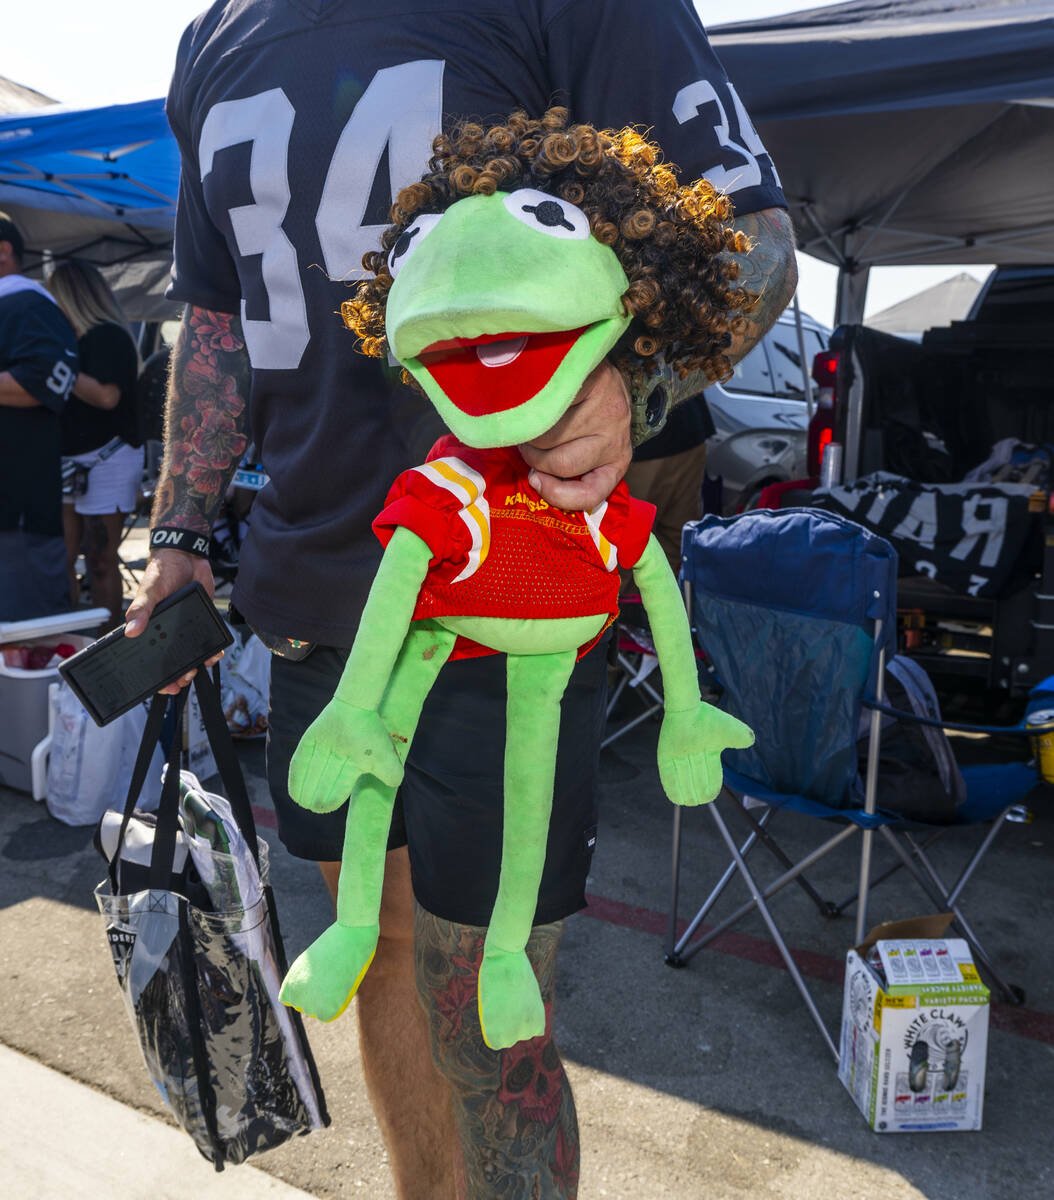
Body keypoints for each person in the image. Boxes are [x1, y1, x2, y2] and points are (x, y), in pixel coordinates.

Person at [126, 3, 796, 1196]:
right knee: (377, 961)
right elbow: (220, 316)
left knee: (483, 1008)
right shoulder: (217, 29)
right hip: (314, 586)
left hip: (506, 598)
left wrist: (628, 391)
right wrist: (180, 524)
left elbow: (750, 231)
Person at [48, 259, 143, 632]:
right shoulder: (65, 341)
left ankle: (106, 642)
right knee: (62, 558)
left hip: (109, 457)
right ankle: (67, 637)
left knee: (101, 557)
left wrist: (51, 364)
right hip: (67, 457)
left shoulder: (108, 337)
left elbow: (106, 397)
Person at [0, 211, 78, 621]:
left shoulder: (28, 304)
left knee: (27, 643)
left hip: (18, 514)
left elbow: (39, 381)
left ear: (3, 251)